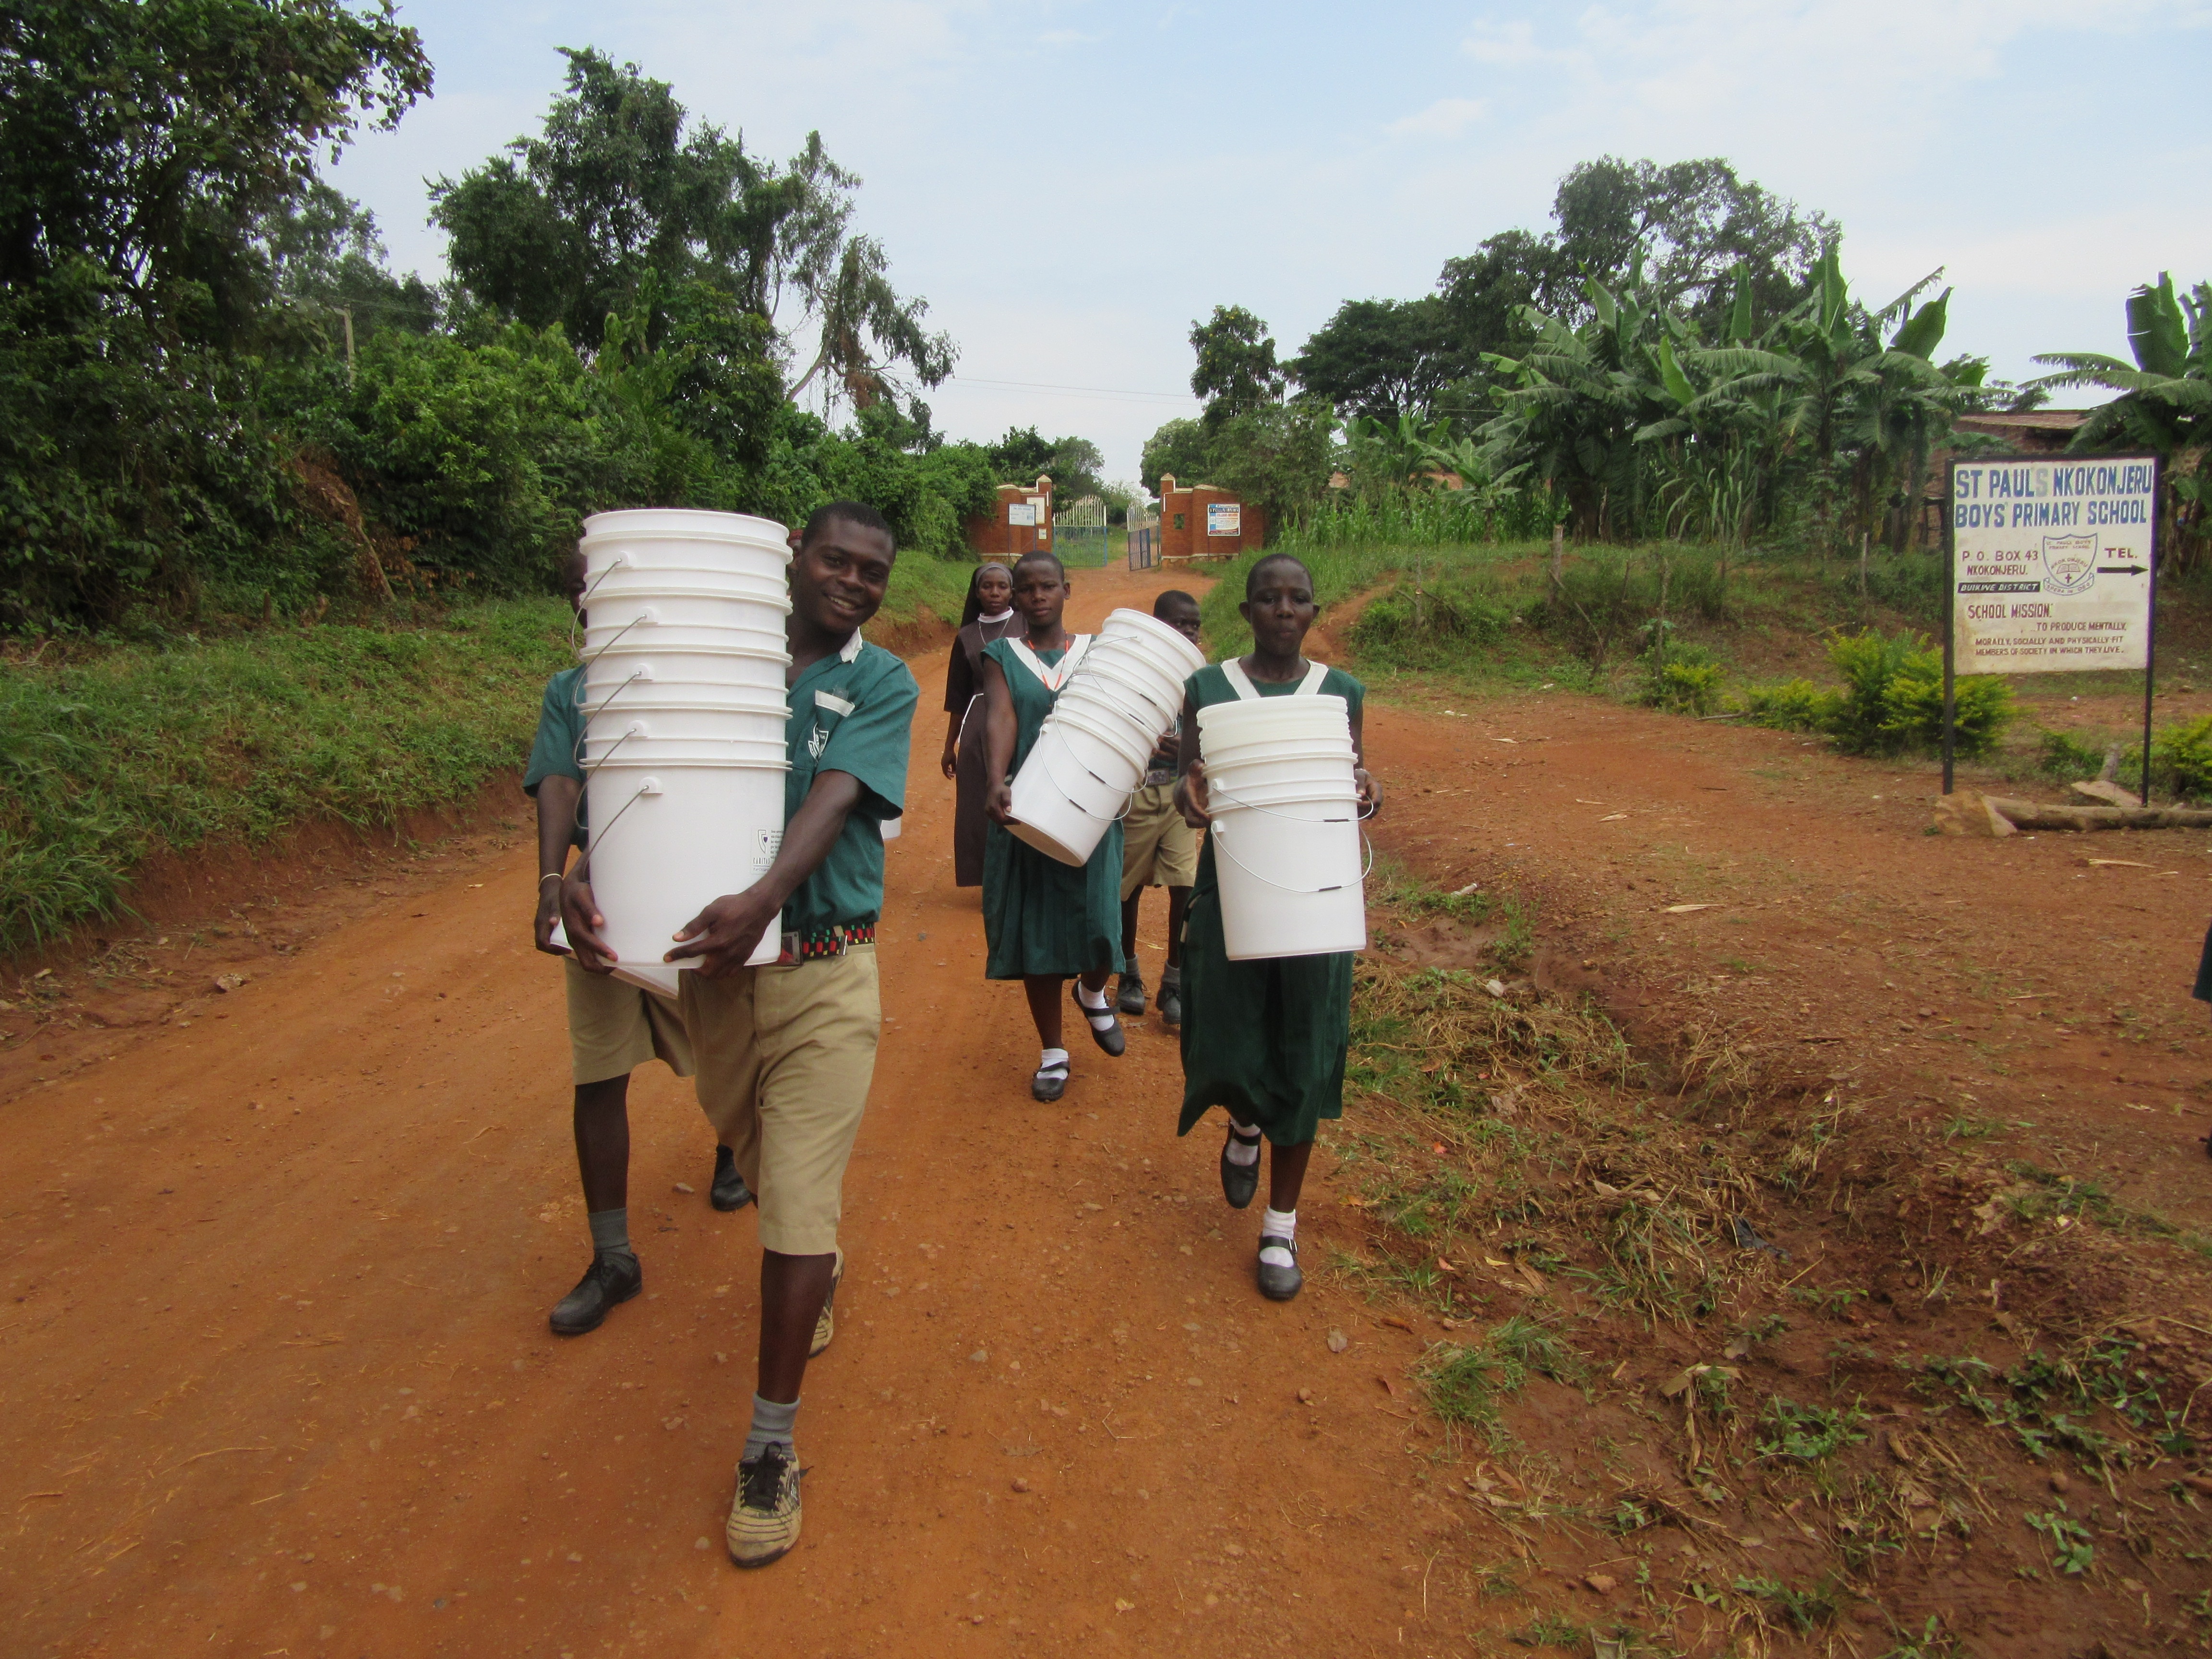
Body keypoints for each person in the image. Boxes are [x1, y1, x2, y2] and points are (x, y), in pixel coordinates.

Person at [559, 501, 917, 1569]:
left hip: (825, 972)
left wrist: (764, 895)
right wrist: (579, 872)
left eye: (873, 572)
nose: (854, 582)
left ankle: (769, 1448)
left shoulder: (880, 680)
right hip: (717, 983)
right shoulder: (708, 656)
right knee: (765, 1172)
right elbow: (639, 783)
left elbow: (838, 796)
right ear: (794, 559)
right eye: (836, 560)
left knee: (794, 1205)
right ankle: (818, 1259)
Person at [526, 552, 746, 1342]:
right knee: (598, 1073)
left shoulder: (702, 678)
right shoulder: (571, 691)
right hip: (606, 902)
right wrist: (551, 881)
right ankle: (612, 1255)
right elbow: (559, 781)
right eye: (583, 595)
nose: (596, 607)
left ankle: (733, 1148)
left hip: (698, 896)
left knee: (732, 1045)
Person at [1172, 553, 1382, 1301]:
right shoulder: (1207, 689)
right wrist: (1192, 801)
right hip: (1235, 893)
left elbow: (1351, 780)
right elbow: (1187, 790)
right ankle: (1244, 1122)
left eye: (1298, 599)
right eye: (1268, 598)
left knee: (1306, 1050)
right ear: (1248, 611)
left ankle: (1281, 1226)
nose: (1284, 610)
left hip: (1316, 903)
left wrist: (1368, 790)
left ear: (1314, 611)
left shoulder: (1340, 693)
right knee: (1229, 1037)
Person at [979, 550, 1128, 1102]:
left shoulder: (1098, 651)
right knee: (1037, 934)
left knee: (1103, 927)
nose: (1037, 596)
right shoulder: (1001, 655)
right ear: (1016, 597)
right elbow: (1001, 715)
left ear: (1067, 589)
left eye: (1048, 586)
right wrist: (996, 779)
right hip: (1030, 808)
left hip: (1092, 807)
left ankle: (1092, 992)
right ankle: (1053, 1052)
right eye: (1027, 588)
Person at [1115, 589, 1204, 1028]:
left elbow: (1209, 732)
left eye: (1194, 625)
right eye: (1178, 623)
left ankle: (1175, 979)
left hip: (1179, 796)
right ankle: (1128, 973)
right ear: (1157, 626)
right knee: (1126, 888)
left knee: (1184, 884)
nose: (1187, 631)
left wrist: (1188, 749)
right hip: (1136, 792)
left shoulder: (1201, 678)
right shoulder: (1135, 669)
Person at [940, 562, 1020, 889]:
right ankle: (989, 879)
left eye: (1002, 586)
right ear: (976, 592)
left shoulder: (1026, 625)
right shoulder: (967, 635)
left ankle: (1021, 875)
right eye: (987, 586)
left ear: (1012, 591)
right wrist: (949, 746)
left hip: (1019, 716)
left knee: (1020, 794)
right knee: (978, 802)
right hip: (977, 726)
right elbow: (957, 695)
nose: (995, 593)